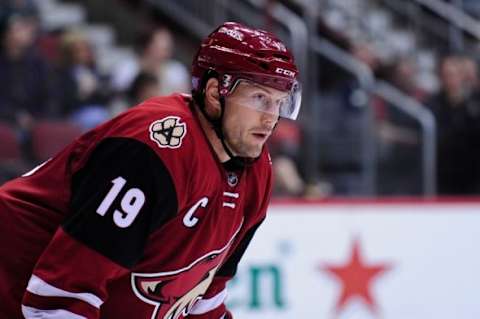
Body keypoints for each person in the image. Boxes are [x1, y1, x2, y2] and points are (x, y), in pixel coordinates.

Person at [0, 21, 302, 319]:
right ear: (214, 93)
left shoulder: (257, 172)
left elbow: (201, 301)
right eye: (259, 98)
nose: (271, 119)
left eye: (280, 102)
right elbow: (57, 300)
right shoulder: (151, 152)